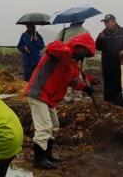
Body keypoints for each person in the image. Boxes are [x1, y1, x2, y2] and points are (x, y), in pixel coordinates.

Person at [25, 32, 97, 169]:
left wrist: (85, 88)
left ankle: (47, 154)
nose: (85, 55)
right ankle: (38, 159)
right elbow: (50, 49)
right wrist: (70, 52)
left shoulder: (73, 64)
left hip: (50, 97)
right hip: (38, 92)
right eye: (85, 52)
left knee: (54, 126)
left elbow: (71, 81)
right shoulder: (60, 48)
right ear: (80, 46)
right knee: (44, 127)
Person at [96, 14, 123, 105]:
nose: (106, 24)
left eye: (107, 22)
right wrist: (99, 39)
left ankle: (118, 101)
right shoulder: (103, 33)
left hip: (118, 61)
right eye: (105, 22)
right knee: (107, 82)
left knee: (118, 81)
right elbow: (98, 47)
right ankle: (108, 101)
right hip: (107, 61)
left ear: (114, 22)